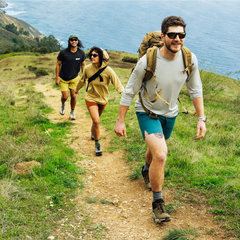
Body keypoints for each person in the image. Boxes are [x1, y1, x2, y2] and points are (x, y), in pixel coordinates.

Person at [114, 16, 206, 223]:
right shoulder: (148, 60)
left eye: (181, 35)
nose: (177, 39)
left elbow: (195, 89)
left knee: (156, 149)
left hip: (170, 114)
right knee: (162, 154)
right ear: (163, 36)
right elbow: (129, 91)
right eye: (172, 35)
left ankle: (146, 170)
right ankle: (158, 204)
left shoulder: (190, 59)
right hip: (147, 112)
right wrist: (120, 120)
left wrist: (201, 118)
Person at [75, 47, 124, 156]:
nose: (92, 57)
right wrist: (76, 90)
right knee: (96, 120)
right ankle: (97, 144)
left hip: (103, 99)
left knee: (96, 120)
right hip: (90, 97)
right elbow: (81, 80)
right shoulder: (87, 69)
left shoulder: (108, 70)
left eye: (95, 55)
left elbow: (117, 84)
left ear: (101, 57)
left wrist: (124, 94)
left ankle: (93, 130)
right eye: (91, 55)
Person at [55, 34, 86, 120]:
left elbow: (83, 65)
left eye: (75, 40)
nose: (74, 41)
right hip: (63, 78)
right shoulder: (63, 52)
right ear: (69, 41)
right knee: (65, 96)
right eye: (72, 40)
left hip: (75, 78)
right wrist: (57, 78)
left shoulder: (81, 53)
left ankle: (72, 112)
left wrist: (84, 78)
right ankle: (63, 104)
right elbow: (58, 65)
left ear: (78, 41)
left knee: (73, 96)